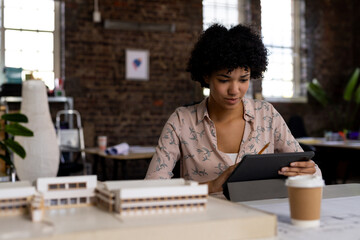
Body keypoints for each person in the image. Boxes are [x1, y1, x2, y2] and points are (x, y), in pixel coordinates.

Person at [145, 23, 321, 193]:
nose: (234, 90)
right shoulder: (182, 121)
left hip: (260, 214)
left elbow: (314, 173)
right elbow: (151, 187)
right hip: (204, 218)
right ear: (206, 76)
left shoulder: (266, 115)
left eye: (243, 80)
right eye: (224, 80)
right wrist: (212, 186)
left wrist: (307, 172)